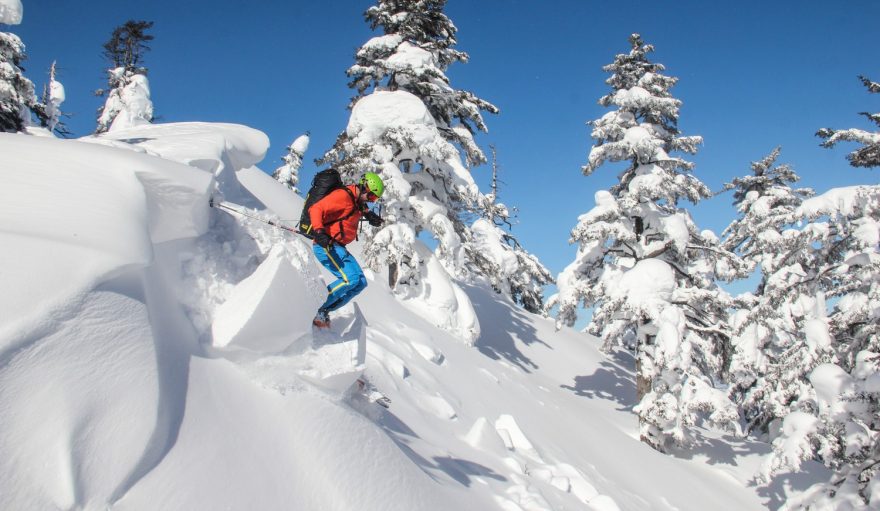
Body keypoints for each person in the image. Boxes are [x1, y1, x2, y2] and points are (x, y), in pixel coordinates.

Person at [309, 172, 385, 328]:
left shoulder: (358, 201)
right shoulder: (342, 196)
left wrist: (370, 216)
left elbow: (359, 208)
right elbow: (316, 209)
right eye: (371, 197)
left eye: (374, 199)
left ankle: (325, 311)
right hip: (326, 245)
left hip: (338, 247)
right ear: (365, 188)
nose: (371, 201)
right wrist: (319, 231)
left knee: (360, 282)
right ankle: (316, 308)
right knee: (350, 279)